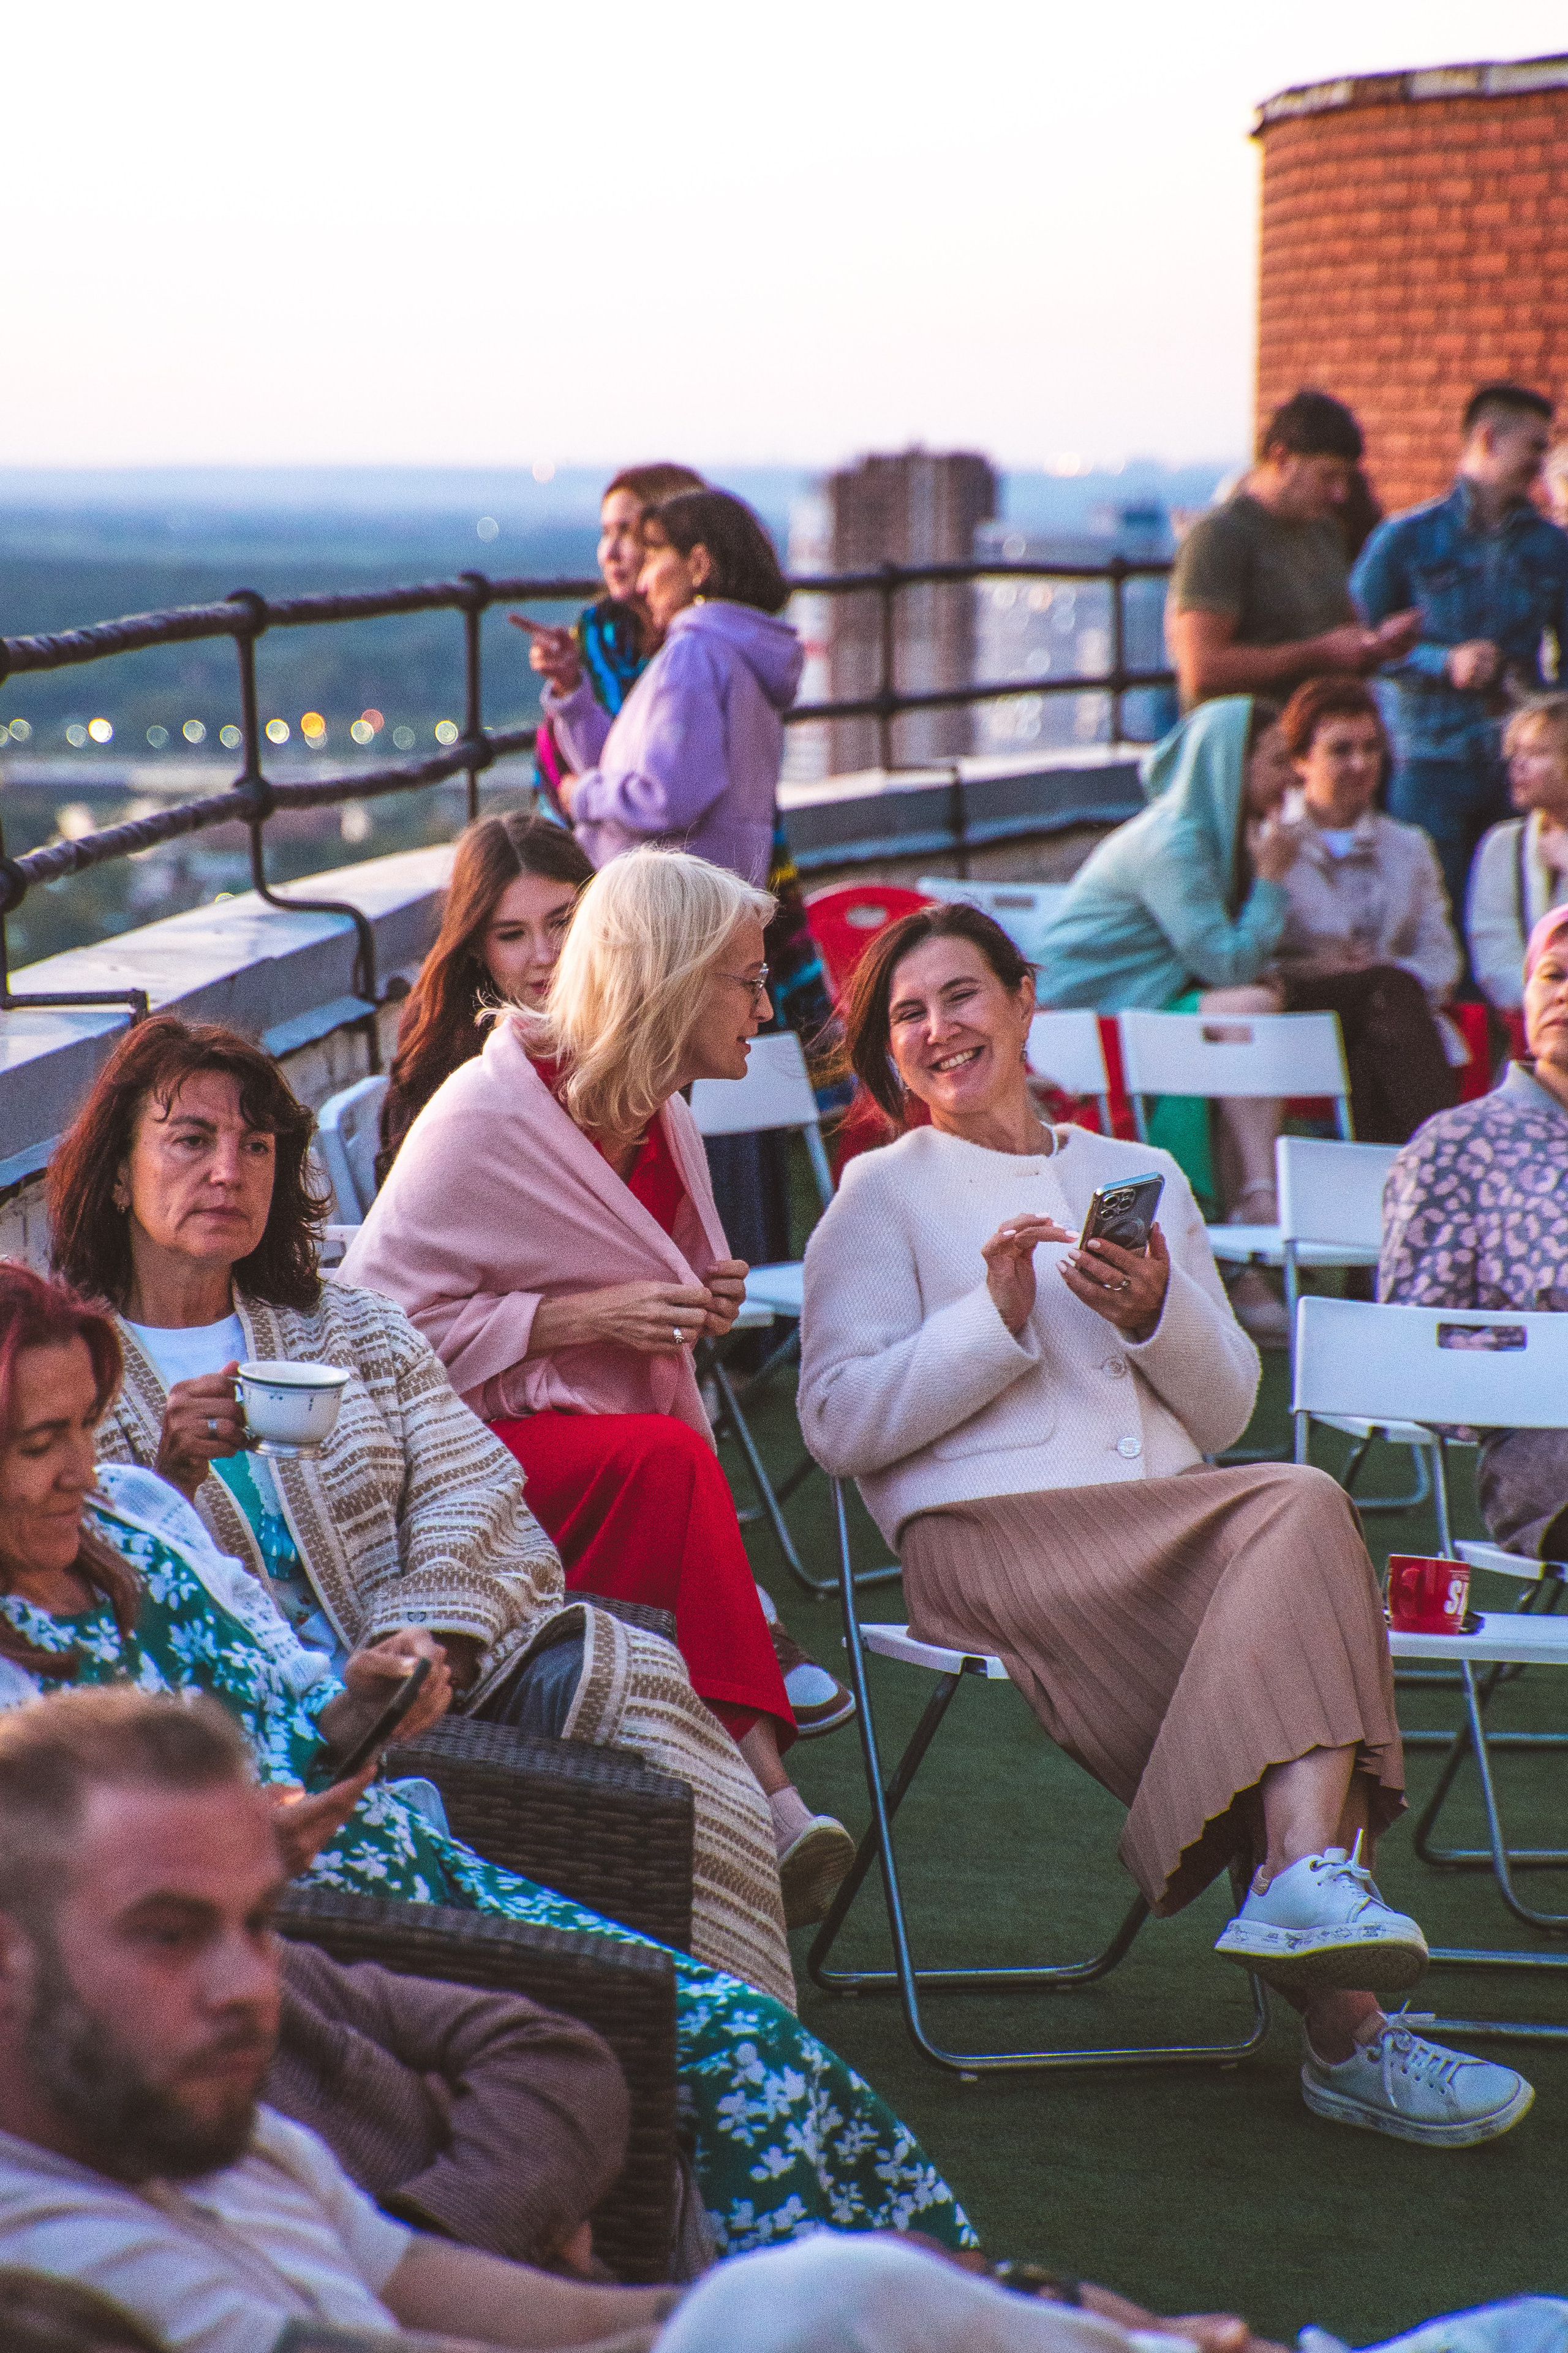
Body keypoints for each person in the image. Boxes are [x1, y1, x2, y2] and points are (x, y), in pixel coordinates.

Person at [0, 1268, 979, 2257]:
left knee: (748, 2040)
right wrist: (254, 1844)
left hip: (421, 1859)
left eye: (85, 1426)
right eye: (44, 1444)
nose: (83, 1467)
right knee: (725, 2054)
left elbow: (305, 1683)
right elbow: (69, 1888)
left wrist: (375, 1689)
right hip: (324, 1927)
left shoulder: (133, 1520)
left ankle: (904, 2303)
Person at [796, 901, 1534, 2148]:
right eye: (907, 1015)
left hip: (1168, 1528)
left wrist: (1152, 1312)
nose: (938, 1030)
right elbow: (835, 1422)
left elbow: (1229, 1397)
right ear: (886, 1049)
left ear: (1022, 1000)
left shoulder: (1129, 1177)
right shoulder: (879, 1193)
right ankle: (1327, 1963)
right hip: (994, 1543)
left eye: (959, 997)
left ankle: (1328, 1974)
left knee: (1293, 1524)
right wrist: (993, 1317)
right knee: (1298, 1509)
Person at [45, 1016, 793, 2006]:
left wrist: (427, 1637)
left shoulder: (350, 1331)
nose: (228, 1170)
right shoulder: (63, 1366)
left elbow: (473, 1490)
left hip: (418, 1687)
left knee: (634, 1677)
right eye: (191, 1139)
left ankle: (722, 1994)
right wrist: (172, 1479)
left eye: (257, 1145)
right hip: (218, 1728)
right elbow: (58, 1574)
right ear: (114, 1173)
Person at [343, 850, 858, 1925]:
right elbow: (372, 1347)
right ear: (671, 978)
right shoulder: (488, 1116)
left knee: (662, 1465)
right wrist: (582, 1319)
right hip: (449, 1473)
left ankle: (749, 1793)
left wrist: (689, 1298)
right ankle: (762, 1794)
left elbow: (632, 1279)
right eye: (747, 980)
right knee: (668, 1463)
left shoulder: (656, 1107)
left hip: (580, 1440)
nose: (767, 1005)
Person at [1038, 697, 1299, 1337]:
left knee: (1238, 1029)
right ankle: (1254, 1207)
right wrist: (1271, 880)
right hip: (1076, 1024)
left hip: (1142, 1009)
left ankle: (1244, 1239)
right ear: (1227, 766)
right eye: (1275, 760)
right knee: (1250, 1008)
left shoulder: (1211, 834)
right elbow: (1228, 965)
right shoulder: (1174, 841)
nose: (1292, 775)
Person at [1381, 902, 1568, 1562]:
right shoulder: (1459, 1143)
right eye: (1551, 975)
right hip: (1544, 1437)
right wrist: (1543, 1353)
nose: (1563, 993)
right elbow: (1414, 1337)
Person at [270, 1942, 638, 2277]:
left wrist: (454, 2231)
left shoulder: (282, 1974)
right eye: (208, 1930)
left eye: (256, 1921)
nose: (247, 1981)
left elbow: (567, 2063)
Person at [1352, 382, 1568, 929]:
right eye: (1534, 447)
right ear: (1489, 439)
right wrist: (1440, 662)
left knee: (1519, 910)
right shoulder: (1405, 539)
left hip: (1517, 764)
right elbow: (1357, 643)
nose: (1540, 464)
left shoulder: (1551, 548)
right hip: (1429, 758)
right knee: (1430, 910)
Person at [1269, 676, 1461, 1144]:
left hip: (1389, 1014)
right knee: (1385, 999)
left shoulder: (1409, 846)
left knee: (1383, 1006)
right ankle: (1438, 1158)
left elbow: (1442, 960)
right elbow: (1253, 953)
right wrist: (1329, 968)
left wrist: (1383, 970)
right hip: (1300, 1011)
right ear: (1300, 760)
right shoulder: (1272, 843)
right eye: (1341, 750)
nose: (1360, 764)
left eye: (1372, 748)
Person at [1166, 391, 1420, 711]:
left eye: (1345, 479)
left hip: (1314, 739)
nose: (1340, 494)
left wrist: (1378, 644)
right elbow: (1202, 668)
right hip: (1245, 742)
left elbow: (1345, 631)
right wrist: (1316, 654)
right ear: (1282, 458)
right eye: (1327, 477)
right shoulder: (1219, 537)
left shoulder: (1325, 532)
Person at [379, 812, 596, 1180]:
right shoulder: (448, 1047)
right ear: (477, 946)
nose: (545, 956)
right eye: (512, 935)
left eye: (562, 923)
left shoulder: (635, 1016)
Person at [513, 460, 706, 817]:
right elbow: (593, 764)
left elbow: (673, 793)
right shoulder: (595, 633)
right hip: (600, 835)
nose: (609, 553)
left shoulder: (705, 647)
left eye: (627, 533)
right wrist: (568, 681)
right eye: (605, 533)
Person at [1466, 696, 1568, 1014]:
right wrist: (1546, 999)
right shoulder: (1503, 844)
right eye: (1515, 754)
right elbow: (1492, 950)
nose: (1518, 766)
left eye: (1536, 754)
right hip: (1533, 1022)